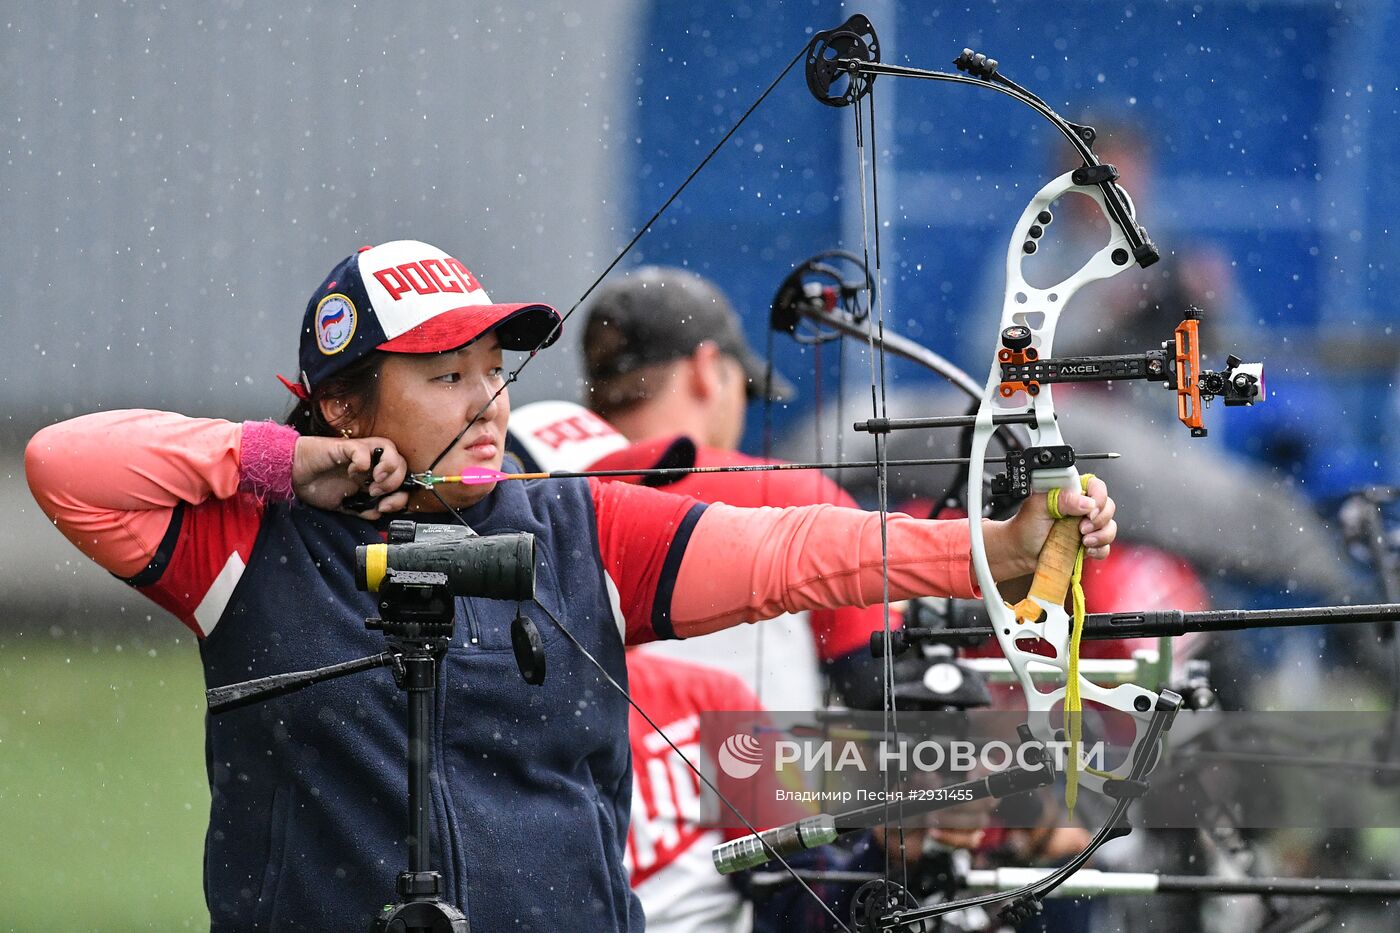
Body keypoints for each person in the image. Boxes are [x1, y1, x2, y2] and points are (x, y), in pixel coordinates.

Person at [23, 239, 1118, 931]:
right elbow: (67, 464)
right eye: (445, 377)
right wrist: (282, 461)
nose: (487, 402)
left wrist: (998, 549)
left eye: (495, 373)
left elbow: (792, 549)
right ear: (346, 407)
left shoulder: (577, 523)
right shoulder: (245, 548)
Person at [574, 265, 890, 711]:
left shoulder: (548, 502)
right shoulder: (792, 494)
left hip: (603, 780)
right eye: (741, 386)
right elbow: (879, 683)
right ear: (707, 369)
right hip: (756, 777)